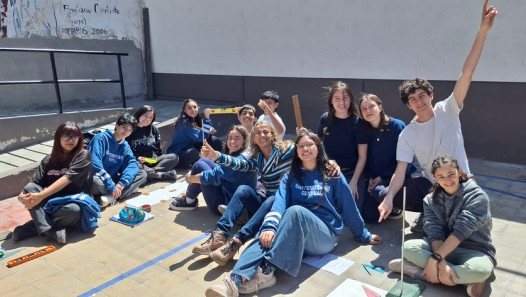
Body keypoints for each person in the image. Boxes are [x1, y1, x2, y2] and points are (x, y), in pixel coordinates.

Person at [205, 131, 382, 297]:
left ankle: (267, 270)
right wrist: (269, 228)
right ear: (296, 152)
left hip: (323, 236)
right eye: (301, 146)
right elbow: (279, 204)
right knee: (265, 234)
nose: (305, 149)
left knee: (295, 211)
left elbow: (349, 207)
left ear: (318, 148)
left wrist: (363, 234)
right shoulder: (289, 177)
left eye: (310, 145)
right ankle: (233, 282)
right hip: (296, 233)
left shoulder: (332, 175)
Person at [377, 1, 498, 232]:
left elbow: (467, 73)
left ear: (431, 95)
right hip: (432, 188)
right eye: (413, 100)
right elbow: (400, 170)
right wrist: (390, 198)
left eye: (422, 96)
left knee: (470, 231)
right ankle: (429, 212)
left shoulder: (449, 109)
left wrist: (483, 30)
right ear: (408, 105)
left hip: (461, 183)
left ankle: (443, 218)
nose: (419, 102)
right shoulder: (408, 134)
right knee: (385, 192)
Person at [389, 155, 496, 297]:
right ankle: (465, 281)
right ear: (435, 179)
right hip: (441, 248)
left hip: (474, 249)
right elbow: (434, 232)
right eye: (441, 176)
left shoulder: (477, 196)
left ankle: (417, 271)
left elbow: (460, 232)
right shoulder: (430, 199)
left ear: (458, 171)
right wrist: (441, 262)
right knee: (409, 247)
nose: (447, 180)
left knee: (481, 270)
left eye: (451, 174)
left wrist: (435, 260)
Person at [191, 121, 294, 265]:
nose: (262, 135)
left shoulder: (286, 149)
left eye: (265, 132)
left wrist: (328, 163)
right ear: (253, 139)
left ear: (272, 134)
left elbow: (309, 150)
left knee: (272, 199)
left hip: (285, 204)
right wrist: (216, 155)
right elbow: (239, 164)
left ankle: (235, 243)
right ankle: (220, 236)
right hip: (266, 203)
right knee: (243, 190)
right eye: (258, 133)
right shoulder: (257, 158)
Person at [12, 122, 100, 244]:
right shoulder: (48, 159)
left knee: (73, 211)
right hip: (51, 203)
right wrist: (21, 196)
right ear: (58, 138)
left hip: (72, 202)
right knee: (30, 188)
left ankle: (33, 227)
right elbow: (35, 182)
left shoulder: (83, 155)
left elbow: (67, 178)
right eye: (66, 136)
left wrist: (40, 196)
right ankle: (49, 231)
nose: (70, 140)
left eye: (74, 136)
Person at [358, 94, 430, 223]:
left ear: (380, 107)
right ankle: (388, 205)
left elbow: (406, 161)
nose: (368, 111)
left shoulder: (397, 126)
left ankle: (407, 207)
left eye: (371, 106)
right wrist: (369, 177)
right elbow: (364, 158)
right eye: (364, 109)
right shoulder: (364, 130)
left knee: (381, 193)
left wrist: (382, 177)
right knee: (370, 217)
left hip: (396, 176)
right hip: (375, 179)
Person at [169, 125, 257, 214]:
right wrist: (211, 156)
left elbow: (213, 177)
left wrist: (190, 178)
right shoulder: (247, 154)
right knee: (204, 160)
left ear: (245, 141)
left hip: (224, 205)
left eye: (237, 138)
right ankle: (190, 199)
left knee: (199, 166)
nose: (232, 141)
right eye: (230, 138)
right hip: (230, 194)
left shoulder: (239, 161)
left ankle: (188, 202)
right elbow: (221, 170)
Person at [317, 81, 367, 209]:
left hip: (352, 173)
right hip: (329, 172)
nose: (342, 103)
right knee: (325, 209)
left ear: (350, 99)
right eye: (337, 98)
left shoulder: (358, 122)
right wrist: (305, 135)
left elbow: (362, 157)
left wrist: (354, 182)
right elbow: (319, 146)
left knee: (352, 213)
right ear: (331, 101)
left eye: (345, 98)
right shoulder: (325, 119)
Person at [88, 113, 147, 207]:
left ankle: (110, 197)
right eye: (124, 127)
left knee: (142, 175)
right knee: (96, 182)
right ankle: (125, 192)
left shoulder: (125, 146)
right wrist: (111, 185)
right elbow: (95, 162)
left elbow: (132, 164)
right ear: (116, 125)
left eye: (130, 130)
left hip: (113, 180)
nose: (126, 131)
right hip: (99, 178)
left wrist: (121, 184)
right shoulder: (101, 138)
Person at [126, 105, 178, 181]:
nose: (147, 119)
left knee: (174, 157)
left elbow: (157, 147)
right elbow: (126, 150)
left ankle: (151, 175)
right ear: (139, 114)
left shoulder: (153, 128)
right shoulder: (130, 129)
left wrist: (158, 158)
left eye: (150, 117)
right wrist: (137, 157)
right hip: (139, 161)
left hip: (152, 160)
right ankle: (157, 174)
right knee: (134, 164)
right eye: (145, 115)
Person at [166, 99, 223, 168]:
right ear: (184, 110)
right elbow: (201, 136)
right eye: (189, 108)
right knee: (194, 152)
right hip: (178, 155)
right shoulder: (184, 123)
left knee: (214, 140)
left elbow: (200, 134)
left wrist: (209, 129)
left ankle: (221, 158)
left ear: (198, 108)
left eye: (195, 107)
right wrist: (207, 118)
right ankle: (208, 163)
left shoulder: (193, 119)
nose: (193, 110)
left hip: (189, 147)